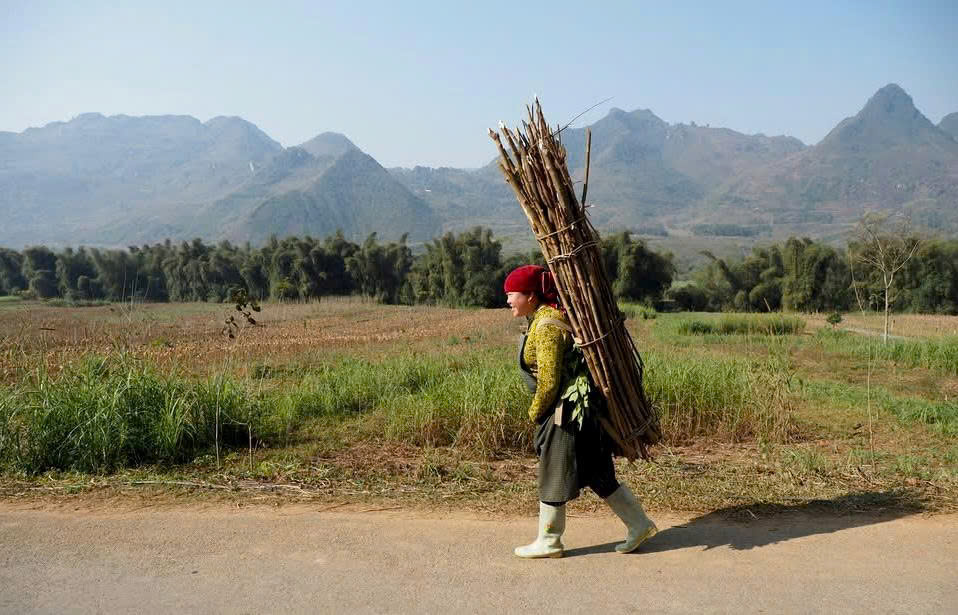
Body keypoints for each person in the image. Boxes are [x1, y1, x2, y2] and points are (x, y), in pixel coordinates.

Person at [504, 264, 657, 558]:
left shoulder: (546, 326)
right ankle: (639, 524)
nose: (508, 300)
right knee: (598, 472)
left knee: (553, 473)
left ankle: (549, 542)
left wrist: (535, 413)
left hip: (562, 414)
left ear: (532, 296)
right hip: (579, 413)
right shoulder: (543, 319)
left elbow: (549, 382)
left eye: (512, 294)